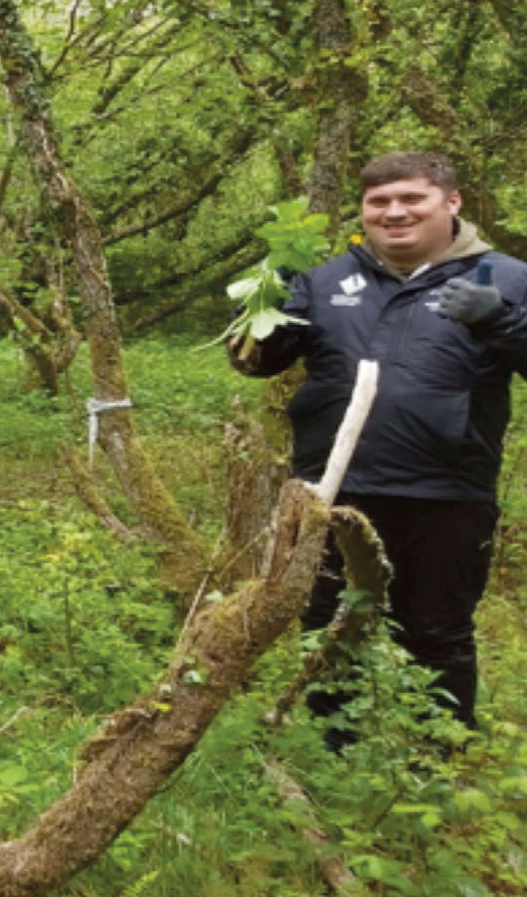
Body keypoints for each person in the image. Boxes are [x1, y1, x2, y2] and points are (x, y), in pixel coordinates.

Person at [232, 151, 522, 743]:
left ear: (451, 202)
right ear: (363, 211)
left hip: (446, 494)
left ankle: (435, 761)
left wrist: (501, 321)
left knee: (436, 631)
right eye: (379, 203)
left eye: (411, 199)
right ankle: (332, 757)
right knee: (327, 624)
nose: (395, 213)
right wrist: (260, 311)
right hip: (332, 490)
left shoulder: (507, 278)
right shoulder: (327, 279)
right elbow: (257, 364)